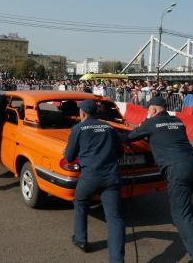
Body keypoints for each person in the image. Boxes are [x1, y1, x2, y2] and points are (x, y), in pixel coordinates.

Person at [121, 96, 193, 263]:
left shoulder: (150, 123)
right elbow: (168, 137)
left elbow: (128, 137)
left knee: (181, 215)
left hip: (177, 169)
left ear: (153, 110)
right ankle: (191, 236)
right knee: (185, 209)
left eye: (148, 110)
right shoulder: (177, 121)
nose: (148, 113)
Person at [64, 100, 125, 263]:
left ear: (83, 113)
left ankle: (81, 239)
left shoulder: (78, 129)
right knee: (114, 218)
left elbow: (69, 157)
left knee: (80, 202)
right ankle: (117, 260)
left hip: (90, 176)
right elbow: (120, 152)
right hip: (111, 177)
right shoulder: (109, 127)